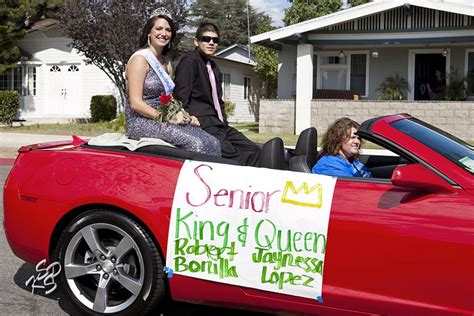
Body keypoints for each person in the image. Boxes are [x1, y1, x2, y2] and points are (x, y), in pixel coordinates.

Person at [125, 8, 221, 157]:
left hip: (164, 119)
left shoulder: (167, 63)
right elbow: (135, 104)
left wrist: (185, 115)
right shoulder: (140, 59)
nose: (163, 33)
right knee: (196, 143)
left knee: (212, 141)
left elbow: (169, 100)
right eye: (158, 28)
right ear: (149, 32)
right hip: (141, 121)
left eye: (168, 30)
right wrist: (167, 118)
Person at [173, 22, 260, 166]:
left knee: (252, 149)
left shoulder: (213, 66)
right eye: (206, 39)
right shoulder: (190, 62)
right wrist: (189, 120)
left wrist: (223, 121)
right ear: (196, 41)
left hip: (218, 122)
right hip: (201, 121)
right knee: (231, 155)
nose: (211, 43)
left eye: (215, 40)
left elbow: (218, 100)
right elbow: (180, 97)